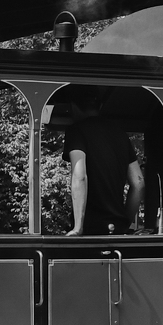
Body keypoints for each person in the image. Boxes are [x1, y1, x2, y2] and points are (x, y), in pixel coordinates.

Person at [62, 89, 144, 236]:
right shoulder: (120, 134)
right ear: (99, 107)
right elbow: (139, 183)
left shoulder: (76, 131)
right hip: (117, 229)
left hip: (90, 228)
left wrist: (78, 228)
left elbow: (79, 175)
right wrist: (124, 223)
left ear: (73, 107)